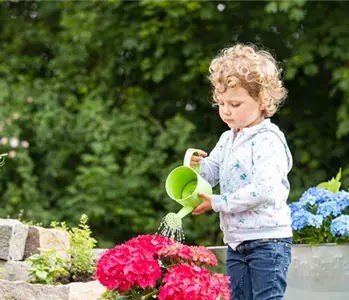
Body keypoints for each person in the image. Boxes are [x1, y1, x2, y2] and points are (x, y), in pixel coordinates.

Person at [190, 43, 293, 300]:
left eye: (235, 104)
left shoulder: (268, 139)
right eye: (222, 102)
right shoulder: (228, 138)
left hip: (268, 242)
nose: (226, 110)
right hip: (237, 242)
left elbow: (263, 191)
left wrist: (218, 202)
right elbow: (212, 172)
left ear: (262, 101)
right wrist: (194, 166)